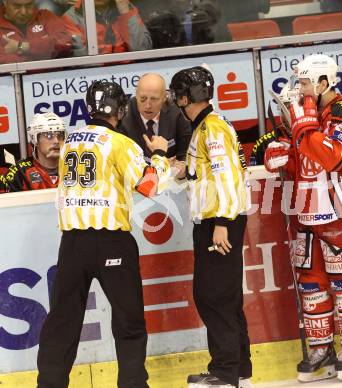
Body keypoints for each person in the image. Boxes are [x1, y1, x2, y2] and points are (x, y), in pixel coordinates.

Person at [36, 80, 170, 388]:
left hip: (72, 243)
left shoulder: (70, 142)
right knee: (129, 322)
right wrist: (160, 154)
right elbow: (149, 186)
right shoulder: (120, 143)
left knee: (62, 324)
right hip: (112, 241)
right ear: (119, 110)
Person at [264, 54, 342, 382]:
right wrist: (281, 150)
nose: (300, 89)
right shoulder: (305, 117)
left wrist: (303, 127)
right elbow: (301, 160)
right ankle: (321, 347)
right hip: (307, 212)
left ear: (324, 83)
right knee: (311, 284)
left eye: (306, 83)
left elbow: (334, 157)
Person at [169, 66, 252, 388]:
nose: (176, 100)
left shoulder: (212, 129)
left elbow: (228, 178)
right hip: (218, 220)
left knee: (212, 296)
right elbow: (196, 174)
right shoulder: (205, 128)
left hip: (219, 222)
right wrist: (165, 159)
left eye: (178, 94)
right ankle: (238, 369)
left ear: (187, 96)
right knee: (224, 297)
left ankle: (224, 372)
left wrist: (221, 224)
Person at [120, 73, 191, 179]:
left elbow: (186, 154)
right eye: (142, 98)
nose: (148, 105)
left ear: (164, 98)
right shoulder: (122, 116)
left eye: (154, 99)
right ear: (136, 94)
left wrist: (181, 169)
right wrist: (161, 165)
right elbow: (120, 163)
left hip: (171, 183)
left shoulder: (177, 112)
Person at [63, 0, 152, 55]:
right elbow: (83, 61)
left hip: (130, 72)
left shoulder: (127, 9)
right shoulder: (72, 17)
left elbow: (142, 49)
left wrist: (125, 13)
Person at [6, 112, 66, 191]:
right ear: (35, 140)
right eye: (49, 135)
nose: (56, 141)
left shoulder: (76, 166)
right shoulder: (20, 172)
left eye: (60, 135)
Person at [0, 0, 72, 63]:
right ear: (5, 2)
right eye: (17, 6)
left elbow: (65, 44)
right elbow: (4, 61)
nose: (23, 12)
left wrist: (23, 47)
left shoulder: (46, 16)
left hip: (53, 76)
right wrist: (45, 49)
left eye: (29, 5)